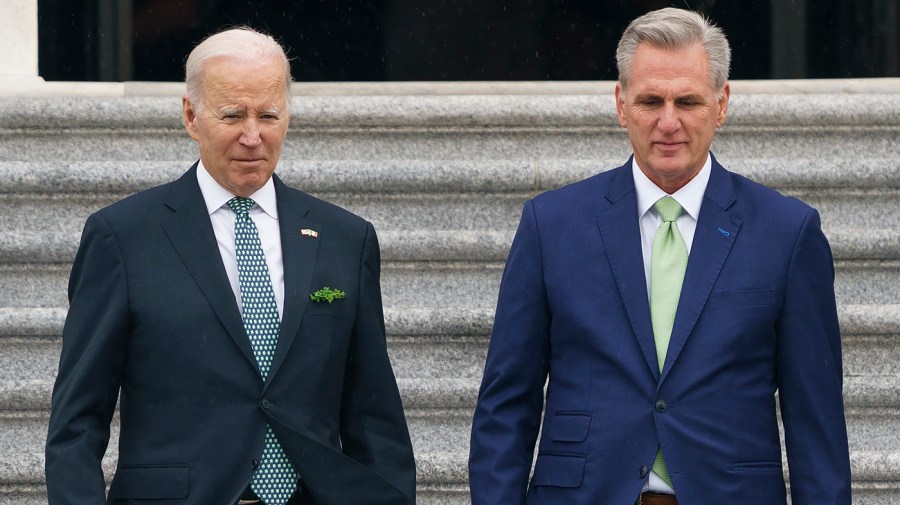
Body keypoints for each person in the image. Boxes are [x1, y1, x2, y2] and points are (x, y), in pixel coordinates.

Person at [468, 7, 851, 505]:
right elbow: (506, 406)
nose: (668, 122)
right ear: (621, 104)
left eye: (687, 101)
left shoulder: (787, 232)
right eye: (651, 100)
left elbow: (815, 423)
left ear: (722, 103)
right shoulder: (552, 225)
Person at [45, 27, 416, 505]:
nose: (252, 136)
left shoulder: (346, 239)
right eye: (232, 115)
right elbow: (77, 422)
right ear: (190, 116)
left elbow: (375, 417)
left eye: (268, 115)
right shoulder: (122, 237)